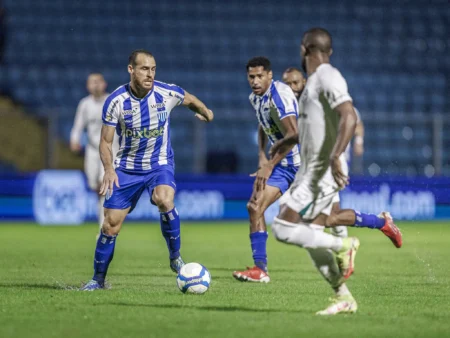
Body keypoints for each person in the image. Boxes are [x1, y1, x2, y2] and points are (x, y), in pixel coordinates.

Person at [270, 28, 402, 314]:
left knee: (282, 226)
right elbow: (311, 130)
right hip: (312, 171)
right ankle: (343, 297)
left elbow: (349, 115)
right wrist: (284, 142)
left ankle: (344, 244)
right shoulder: (312, 86)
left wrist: (334, 155)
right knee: (310, 236)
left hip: (319, 174)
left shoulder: (328, 76)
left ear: (305, 48)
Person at [81, 49, 214, 291]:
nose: (150, 74)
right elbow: (105, 141)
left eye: (153, 69)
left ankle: (175, 257)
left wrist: (206, 112)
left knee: (164, 199)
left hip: (159, 164)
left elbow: (190, 98)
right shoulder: (116, 102)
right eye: (144, 68)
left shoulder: (166, 92)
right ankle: (97, 280)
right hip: (127, 168)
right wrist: (109, 170)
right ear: (131, 69)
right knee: (110, 224)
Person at [232, 57, 300, 283]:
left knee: (328, 219)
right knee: (254, 206)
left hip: (300, 166)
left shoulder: (278, 97)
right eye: (251, 77)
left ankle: (380, 222)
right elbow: (263, 124)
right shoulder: (256, 98)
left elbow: (294, 135)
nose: (255, 81)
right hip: (281, 165)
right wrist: (262, 155)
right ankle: (260, 269)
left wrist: (269, 165)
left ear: (270, 75)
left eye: (260, 76)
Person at [282, 67, 365, 239]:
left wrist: (358, 142)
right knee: (332, 215)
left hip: (331, 161)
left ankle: (378, 223)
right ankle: (348, 246)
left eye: (295, 83)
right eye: (287, 84)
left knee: (319, 218)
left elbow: (355, 123)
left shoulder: (329, 103)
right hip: (314, 162)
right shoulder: (296, 105)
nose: (291, 87)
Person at [70, 73, 117, 236]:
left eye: (98, 82)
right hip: (91, 150)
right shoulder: (85, 104)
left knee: (104, 186)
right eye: (92, 82)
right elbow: (78, 124)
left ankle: (103, 228)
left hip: (110, 150)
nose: (95, 85)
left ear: (104, 84)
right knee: (95, 187)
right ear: (87, 86)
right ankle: (105, 219)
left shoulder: (112, 100)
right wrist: (74, 139)